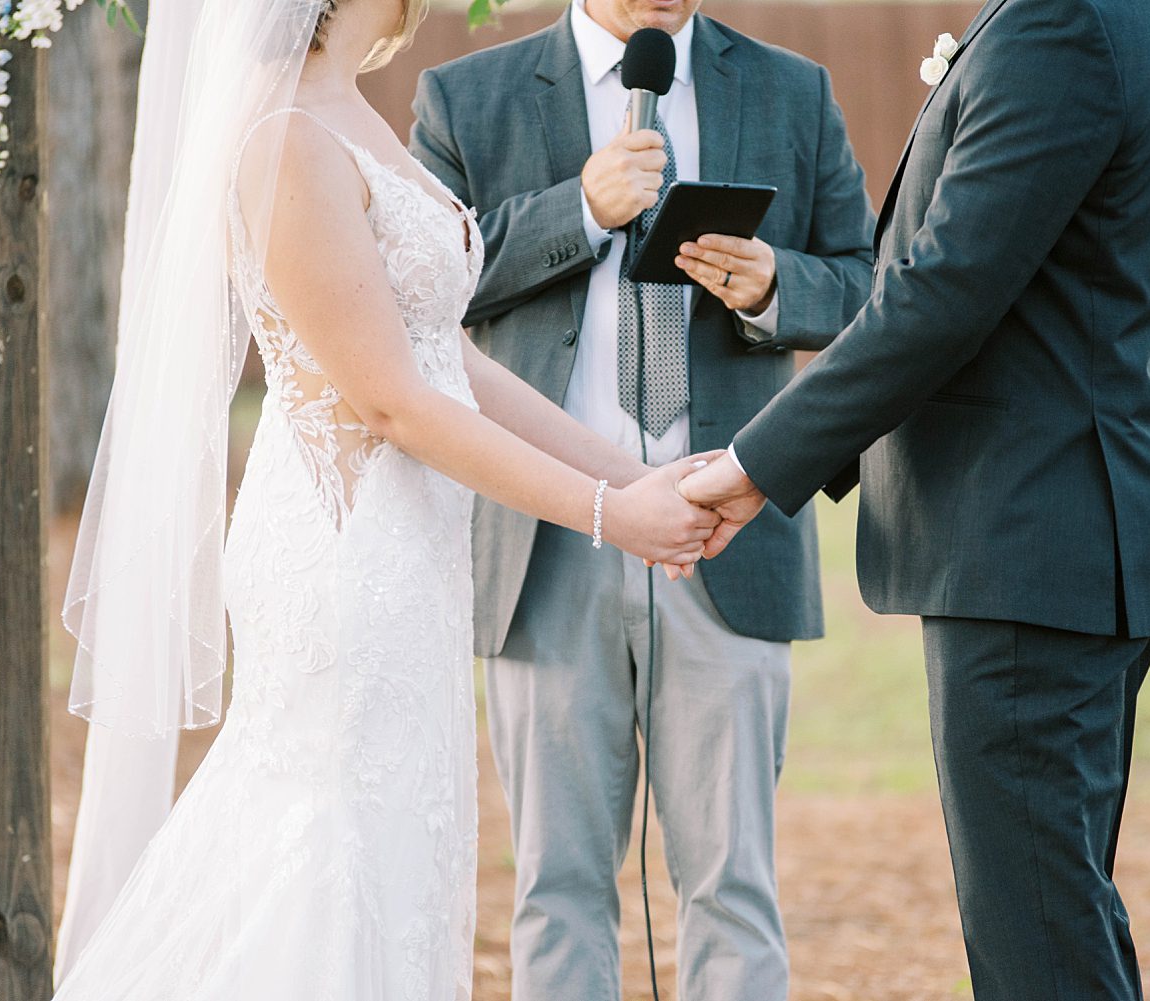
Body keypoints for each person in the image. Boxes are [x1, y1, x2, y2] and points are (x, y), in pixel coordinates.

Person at [54, 0, 721, 996]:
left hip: (411, 557)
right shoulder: (284, 140)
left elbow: (446, 358)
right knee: (329, 842)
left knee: (400, 844)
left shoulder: (351, 106)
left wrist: (630, 475)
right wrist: (606, 516)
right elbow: (392, 402)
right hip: (344, 553)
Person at [681, 0, 1150, 998]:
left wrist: (753, 464)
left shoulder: (1065, 24)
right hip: (1052, 537)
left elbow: (945, 289)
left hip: (1030, 544)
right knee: (1056, 912)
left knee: (1037, 940)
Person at [409, 1, 875, 997]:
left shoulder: (793, 89)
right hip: (546, 537)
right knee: (559, 883)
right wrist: (575, 208)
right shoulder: (467, 96)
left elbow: (869, 281)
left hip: (724, 530)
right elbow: (416, 288)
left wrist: (773, 288)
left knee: (732, 884)